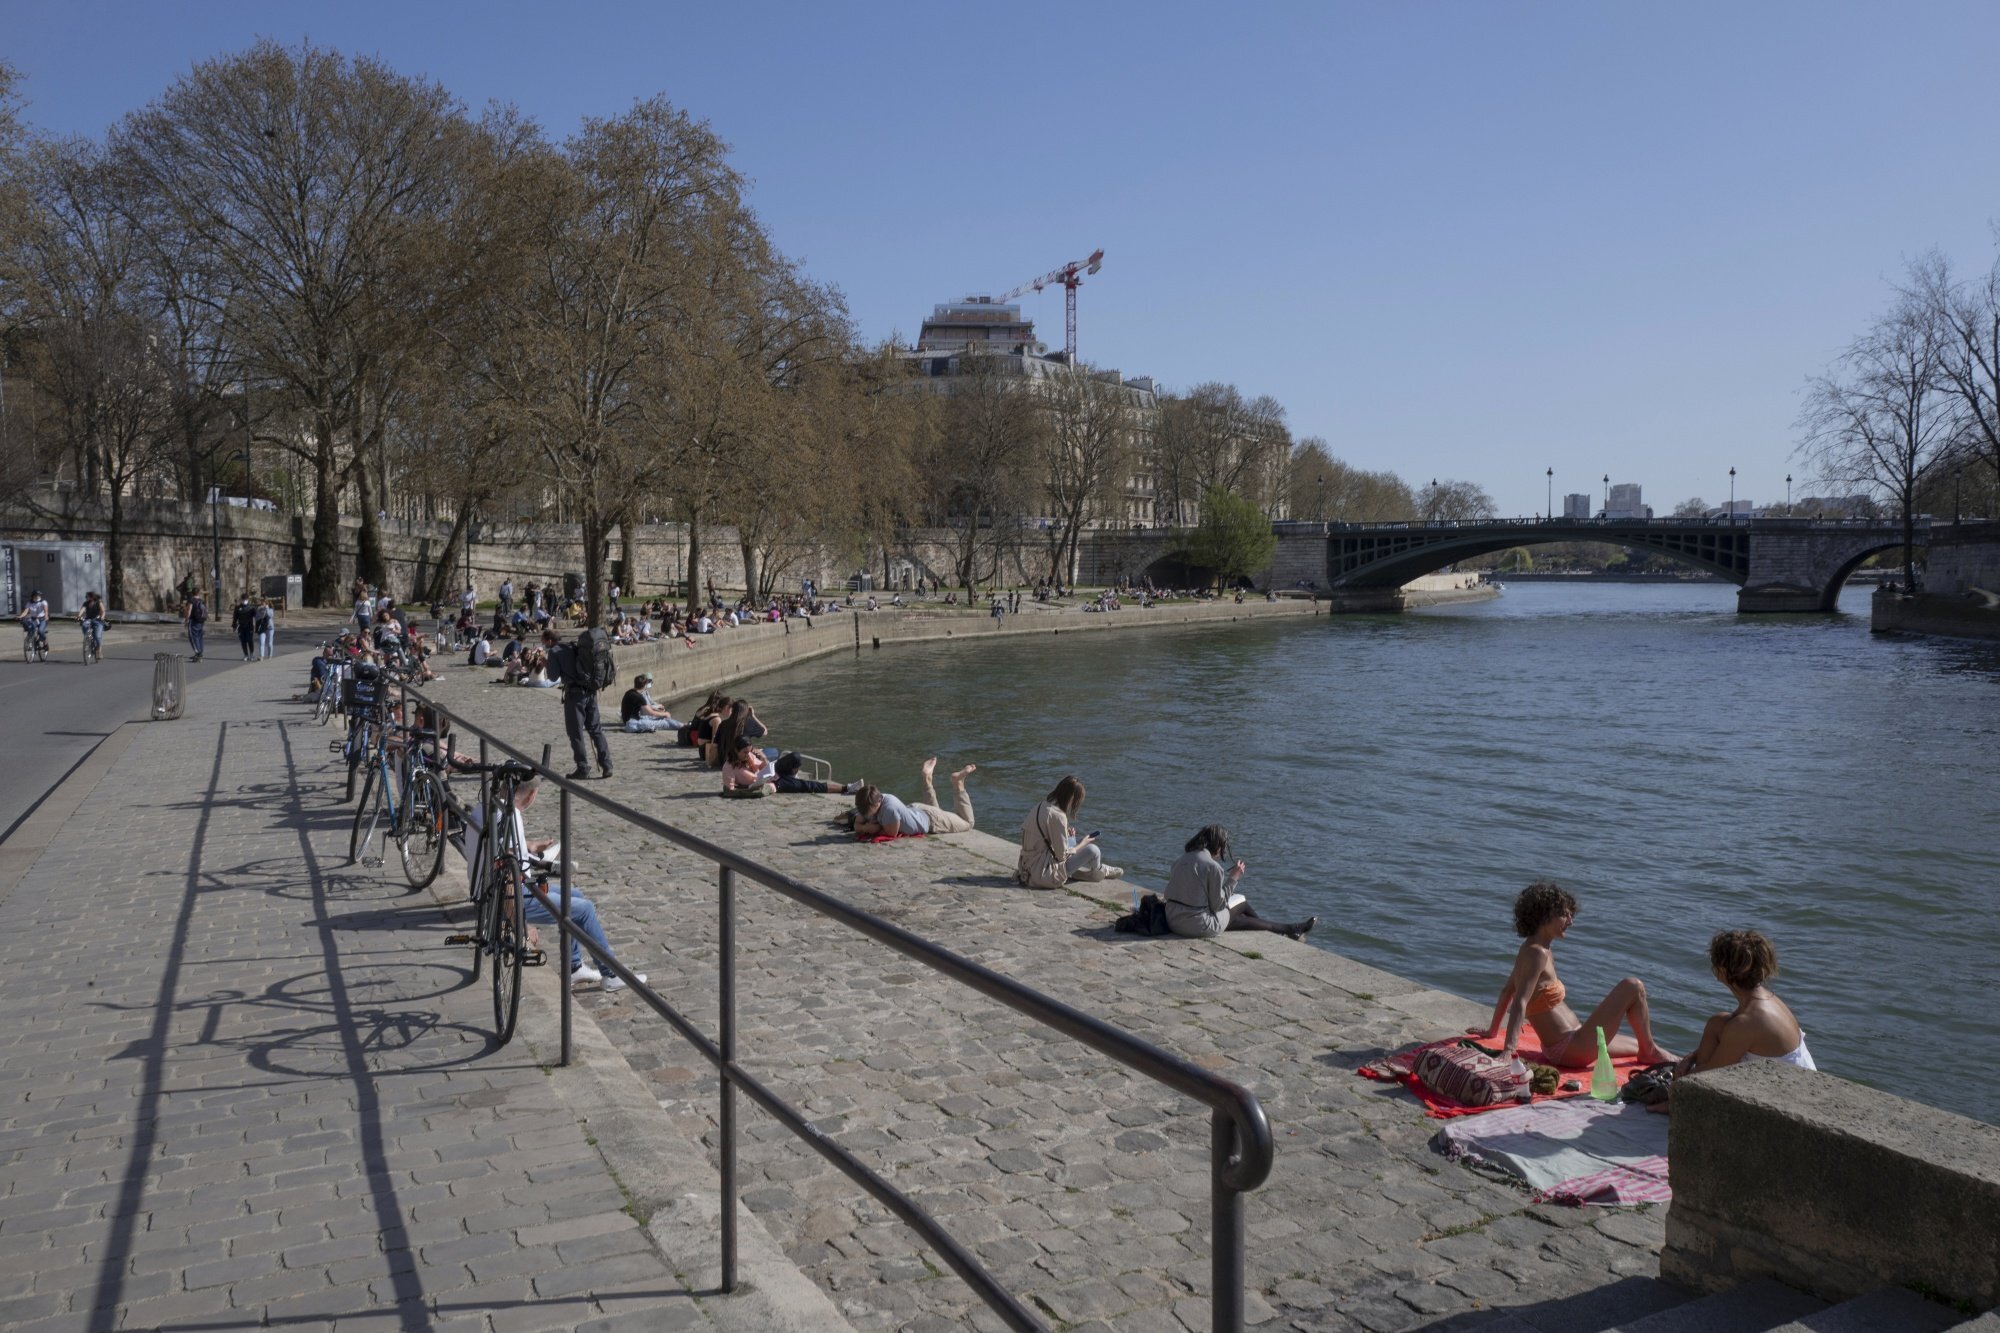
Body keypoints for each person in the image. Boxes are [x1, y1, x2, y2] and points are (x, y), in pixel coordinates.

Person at [467, 778, 647, 992]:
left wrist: (529, 846)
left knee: (575, 894)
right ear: (532, 795)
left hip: (487, 889)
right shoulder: (510, 815)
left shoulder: (488, 805)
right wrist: (521, 923)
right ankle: (612, 973)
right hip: (506, 895)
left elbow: (499, 851)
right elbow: (504, 872)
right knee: (584, 910)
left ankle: (574, 967)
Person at [1479, 880, 1676, 1068]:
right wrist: (1509, 1051)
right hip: (1571, 1048)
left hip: (1573, 1040)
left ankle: (1648, 1051)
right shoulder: (1536, 953)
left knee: (1638, 1044)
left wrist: (1491, 1032)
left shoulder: (1532, 949)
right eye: (1565, 915)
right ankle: (1649, 1051)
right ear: (1546, 916)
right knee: (1633, 986)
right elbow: (1519, 1001)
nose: (1571, 922)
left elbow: (1507, 991)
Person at [1675, 930, 1815, 1075]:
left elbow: (1709, 1074)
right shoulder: (1764, 999)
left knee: (1696, 1076)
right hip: (1787, 1069)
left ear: (1722, 971)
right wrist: (1692, 1057)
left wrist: (1680, 1077)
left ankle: (1694, 1096)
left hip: (1786, 1085)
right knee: (1717, 1023)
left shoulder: (1746, 1023)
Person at [1161, 825, 1315, 939]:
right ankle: (1288, 929)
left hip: (1173, 920)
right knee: (1241, 901)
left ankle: (1288, 930)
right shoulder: (1212, 866)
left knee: (1240, 919)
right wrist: (1234, 878)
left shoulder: (1181, 860)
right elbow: (1217, 905)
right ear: (1218, 845)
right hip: (1197, 926)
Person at [1016, 776, 1123, 888]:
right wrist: (1083, 844)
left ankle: (1092, 870)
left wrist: (1070, 838)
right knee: (1093, 850)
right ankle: (1098, 871)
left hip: (1027, 867)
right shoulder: (1058, 816)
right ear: (1071, 798)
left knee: (1075, 841)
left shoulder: (1041, 805)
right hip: (1042, 874)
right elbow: (1061, 856)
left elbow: (1046, 843)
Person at [547, 631, 612, 780]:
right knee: (596, 730)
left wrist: (546, 664)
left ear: (549, 641)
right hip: (591, 691)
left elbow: (552, 677)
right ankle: (607, 765)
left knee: (576, 733)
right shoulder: (575, 647)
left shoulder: (554, 651)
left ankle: (582, 767)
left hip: (575, 695)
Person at [853, 758, 977, 836]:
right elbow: (857, 823)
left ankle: (958, 783)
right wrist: (865, 827)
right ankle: (927, 778)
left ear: (878, 802)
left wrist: (869, 828)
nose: (867, 815)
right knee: (938, 812)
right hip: (918, 811)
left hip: (931, 820)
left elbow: (891, 833)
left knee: (968, 823)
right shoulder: (867, 801)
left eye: (869, 812)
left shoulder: (889, 809)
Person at [770, 751, 863, 795]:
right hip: (775, 781)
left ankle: (793, 774)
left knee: (795, 756)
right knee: (809, 785)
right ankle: (847, 788)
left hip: (770, 771)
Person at [18, 589, 50, 655]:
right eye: (36, 595)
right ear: (33, 596)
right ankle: (31, 643)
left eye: (39, 595)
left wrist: (46, 616)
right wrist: (20, 616)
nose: (37, 597)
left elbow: (46, 610)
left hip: (42, 619)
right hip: (34, 619)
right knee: (30, 630)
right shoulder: (29, 603)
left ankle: (45, 642)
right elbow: (25, 611)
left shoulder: (43, 602)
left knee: (40, 631)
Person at [77, 591, 106, 661]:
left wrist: (102, 617)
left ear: (92, 597)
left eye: (87, 597)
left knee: (97, 636)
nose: (86, 598)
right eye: (86, 597)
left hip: (97, 621)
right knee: (84, 625)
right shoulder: (86, 603)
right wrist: (78, 616)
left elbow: (103, 611)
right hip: (88, 620)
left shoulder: (98, 602)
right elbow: (82, 609)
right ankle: (87, 637)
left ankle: (98, 650)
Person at [181, 587, 207, 661]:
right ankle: (200, 652)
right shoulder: (201, 601)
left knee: (193, 637)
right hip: (201, 621)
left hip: (193, 621)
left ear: (192, 593)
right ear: (198, 593)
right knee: (200, 637)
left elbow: (189, 610)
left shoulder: (191, 600)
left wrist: (186, 620)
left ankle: (198, 653)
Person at [232, 595, 258, 661]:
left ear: (248, 600)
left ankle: (252, 654)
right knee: (243, 641)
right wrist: (234, 626)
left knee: (250, 640)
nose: (244, 601)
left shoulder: (251, 608)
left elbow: (257, 617)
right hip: (241, 627)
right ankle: (246, 655)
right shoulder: (237, 608)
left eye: (245, 599)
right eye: (243, 599)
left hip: (249, 627)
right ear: (241, 600)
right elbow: (235, 618)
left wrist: (257, 626)